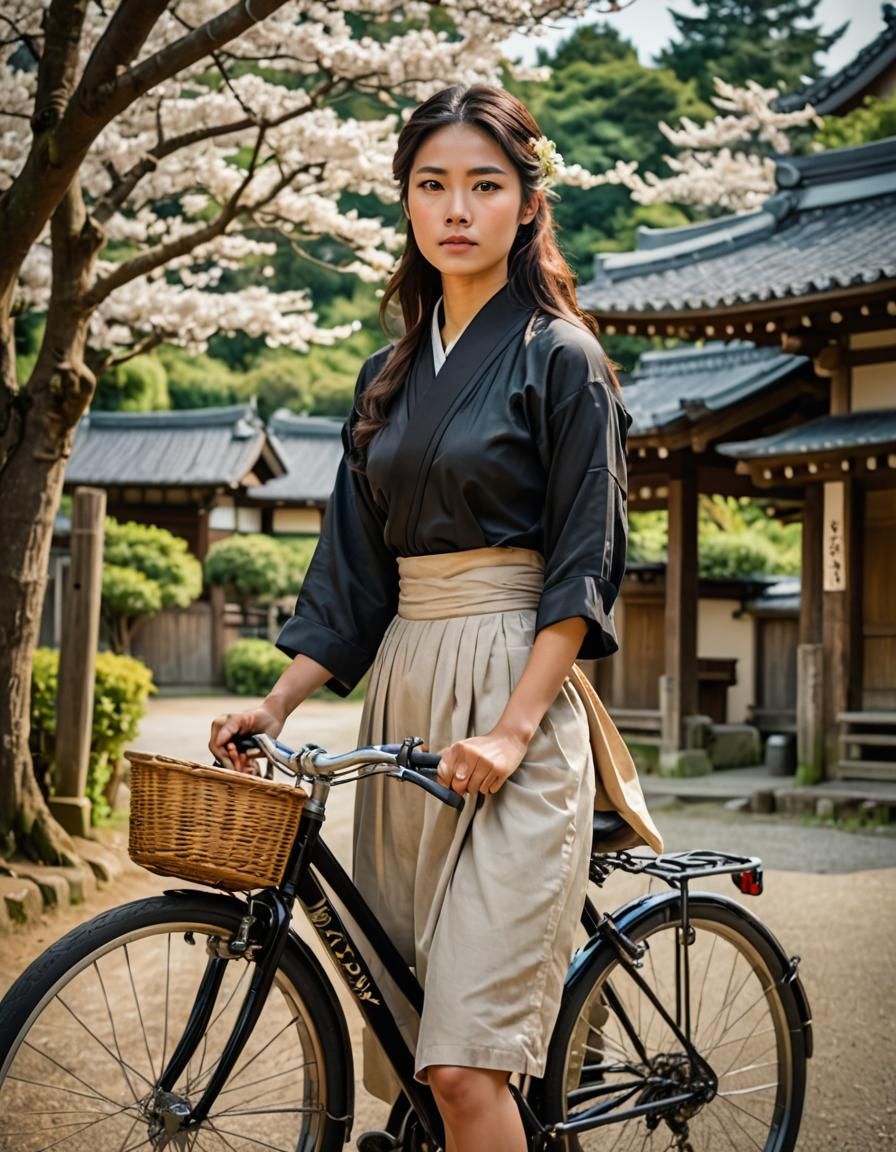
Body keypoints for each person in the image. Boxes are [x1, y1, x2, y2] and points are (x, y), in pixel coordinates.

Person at [210, 83, 660, 1152]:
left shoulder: (563, 359)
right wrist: (274, 705)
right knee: (414, 1049)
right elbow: (353, 574)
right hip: (406, 697)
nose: (456, 208)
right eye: (431, 186)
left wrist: (511, 728)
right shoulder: (387, 375)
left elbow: (583, 560)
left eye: (483, 185)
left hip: (516, 693)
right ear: (407, 205)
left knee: (461, 1064)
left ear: (525, 204)